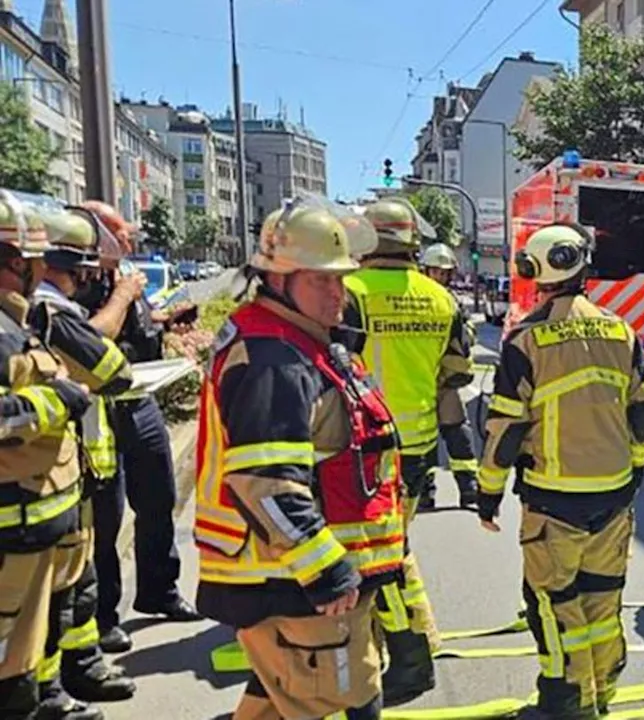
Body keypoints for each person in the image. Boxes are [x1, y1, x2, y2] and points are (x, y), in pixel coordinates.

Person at [193, 197, 403, 719]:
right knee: (347, 697)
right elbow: (266, 482)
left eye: (341, 279)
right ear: (278, 280)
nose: (339, 294)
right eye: (321, 281)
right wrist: (326, 570)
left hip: (291, 581)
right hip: (293, 584)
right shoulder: (275, 360)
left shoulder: (295, 342)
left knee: (280, 697)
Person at [477, 223, 644, 719]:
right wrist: (636, 472)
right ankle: (599, 696)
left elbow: (506, 433)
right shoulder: (622, 332)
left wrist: (487, 495)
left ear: (534, 272)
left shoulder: (525, 340)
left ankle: (564, 703)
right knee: (603, 603)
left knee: (554, 608)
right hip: (615, 497)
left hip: (553, 503)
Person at [342, 197, 471, 704]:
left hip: (361, 449)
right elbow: (455, 378)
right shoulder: (441, 299)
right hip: (416, 447)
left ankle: (410, 654)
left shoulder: (348, 292)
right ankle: (409, 644)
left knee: (380, 558)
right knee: (393, 549)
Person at [70, 202, 199, 657]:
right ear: (97, 235)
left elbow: (130, 330)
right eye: (121, 234)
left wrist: (164, 321)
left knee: (158, 498)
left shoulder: (119, 274)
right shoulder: (77, 280)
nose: (129, 242)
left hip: (140, 399)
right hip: (97, 413)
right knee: (106, 517)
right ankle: (103, 616)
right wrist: (123, 295)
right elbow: (85, 341)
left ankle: (159, 590)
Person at [27, 208, 137, 719]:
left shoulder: (28, 314)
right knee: (59, 589)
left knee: (72, 582)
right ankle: (55, 688)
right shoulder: (49, 313)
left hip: (63, 472)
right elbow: (111, 371)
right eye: (86, 273)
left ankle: (77, 668)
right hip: (49, 480)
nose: (87, 283)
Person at [0, 194, 94, 720]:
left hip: (29, 527)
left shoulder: (15, 321)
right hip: (10, 528)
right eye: (37, 262)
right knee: (9, 672)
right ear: (17, 262)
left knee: (22, 662)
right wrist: (54, 400)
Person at [421, 242, 481, 509]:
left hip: (444, 380)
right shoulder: (423, 299)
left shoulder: (452, 301)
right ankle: (424, 492)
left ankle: (469, 490)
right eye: (437, 272)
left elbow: (467, 335)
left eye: (445, 273)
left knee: (458, 434)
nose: (442, 277)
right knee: (423, 440)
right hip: (421, 378)